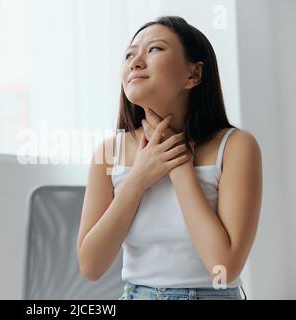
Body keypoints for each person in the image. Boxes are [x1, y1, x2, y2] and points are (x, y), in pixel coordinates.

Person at [76, 16, 262, 300]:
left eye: (154, 49)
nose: (135, 62)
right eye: (129, 54)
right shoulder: (108, 153)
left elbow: (223, 268)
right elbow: (91, 266)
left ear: (194, 75)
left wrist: (179, 169)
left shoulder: (236, 147)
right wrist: (138, 179)